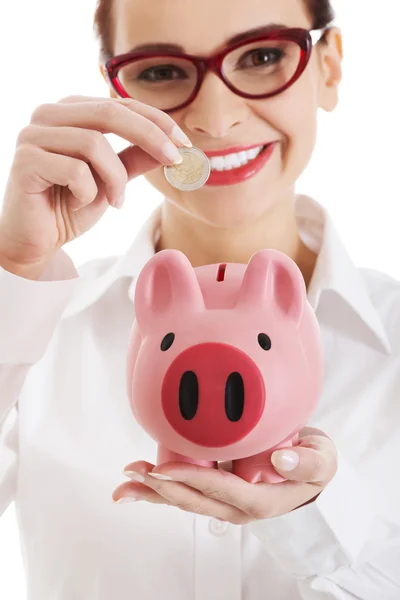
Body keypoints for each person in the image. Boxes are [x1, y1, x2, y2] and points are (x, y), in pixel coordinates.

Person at [0, 0, 399, 598]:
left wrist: (311, 518)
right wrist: (14, 269)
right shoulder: (37, 322)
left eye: (263, 56)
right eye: (162, 71)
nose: (214, 119)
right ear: (116, 90)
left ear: (329, 69)